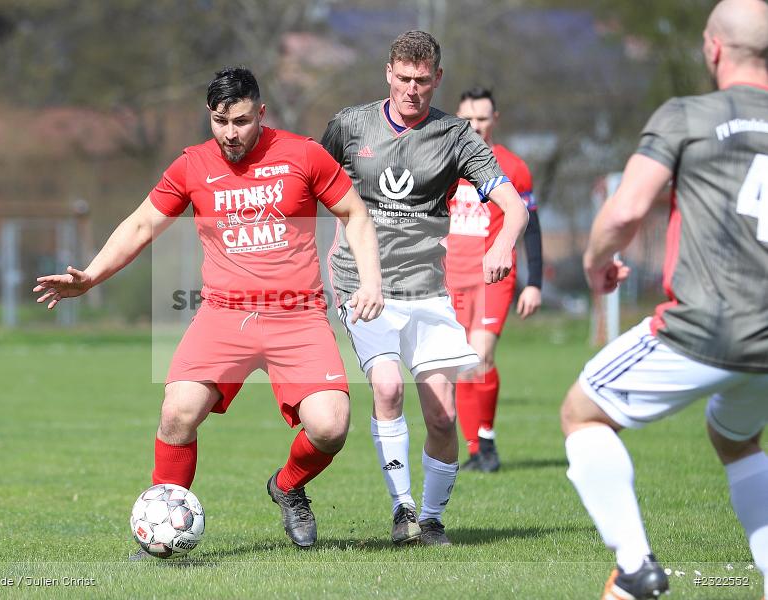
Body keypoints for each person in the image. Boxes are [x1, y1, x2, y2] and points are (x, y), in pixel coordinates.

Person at [33, 67, 384, 552]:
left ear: (261, 112)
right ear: (209, 116)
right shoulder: (192, 166)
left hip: (297, 315)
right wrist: (91, 276)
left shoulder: (303, 155)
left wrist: (371, 281)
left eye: (241, 121)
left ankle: (287, 486)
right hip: (223, 315)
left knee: (331, 426)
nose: (230, 133)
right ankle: (160, 520)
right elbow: (141, 226)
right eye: (220, 121)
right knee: (177, 414)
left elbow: (355, 214)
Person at [559, 1, 768, 597]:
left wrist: (597, 261)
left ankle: (634, 568)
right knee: (735, 437)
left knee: (582, 412)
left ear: (713, 48)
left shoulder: (688, 115)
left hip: (703, 327)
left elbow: (626, 209)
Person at [322, 31, 528, 545]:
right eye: (404, 78)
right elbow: (311, 185)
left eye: (423, 81)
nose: (413, 90)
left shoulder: (457, 136)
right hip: (363, 284)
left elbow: (515, 205)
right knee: (388, 387)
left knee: (443, 413)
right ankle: (403, 510)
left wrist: (503, 242)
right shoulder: (350, 126)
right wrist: (324, 249)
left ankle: (433, 519)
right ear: (389, 72)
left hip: (427, 289)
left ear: (437, 78)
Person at [447, 87, 544, 473]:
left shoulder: (513, 167)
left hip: (493, 278)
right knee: (461, 366)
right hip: (449, 278)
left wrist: (534, 282)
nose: (475, 125)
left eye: (482, 118)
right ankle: (475, 449)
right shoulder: (442, 161)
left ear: (495, 119)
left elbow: (532, 227)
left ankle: (485, 439)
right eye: (467, 119)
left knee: (480, 357)